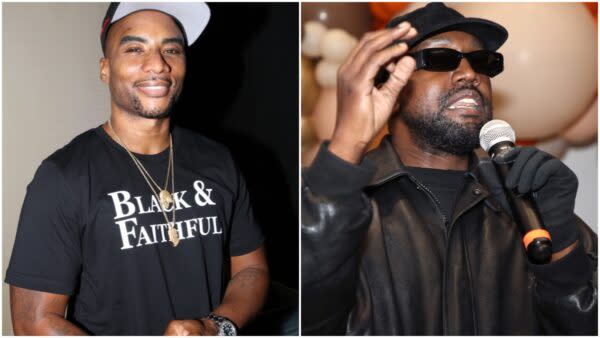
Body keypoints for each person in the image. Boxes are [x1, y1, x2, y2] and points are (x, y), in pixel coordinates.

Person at [301, 3, 597, 335]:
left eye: (483, 62)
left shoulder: (528, 207)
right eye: (441, 59)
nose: (471, 74)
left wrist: (562, 250)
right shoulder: (331, 203)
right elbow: (310, 316)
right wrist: (347, 143)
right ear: (389, 87)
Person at [6, 3, 269, 335]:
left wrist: (214, 327)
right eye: (134, 48)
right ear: (105, 69)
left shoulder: (219, 160)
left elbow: (251, 269)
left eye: (171, 49)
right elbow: (33, 323)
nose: (158, 64)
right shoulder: (63, 176)